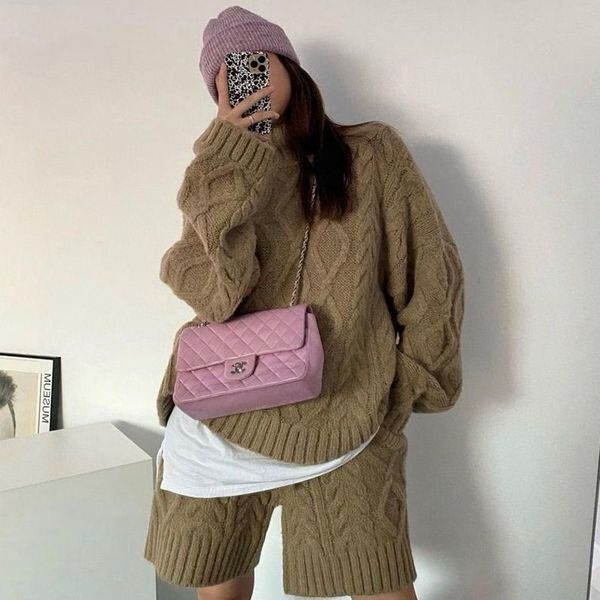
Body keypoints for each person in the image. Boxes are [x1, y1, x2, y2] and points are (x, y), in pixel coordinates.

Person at [144, 6, 465, 600]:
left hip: (348, 415)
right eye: (226, 73)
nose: (244, 76)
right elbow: (215, 296)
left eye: (254, 60)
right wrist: (226, 162)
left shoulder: (372, 153)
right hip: (219, 420)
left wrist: (405, 387)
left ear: (288, 65)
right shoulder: (219, 175)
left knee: (382, 589)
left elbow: (432, 278)